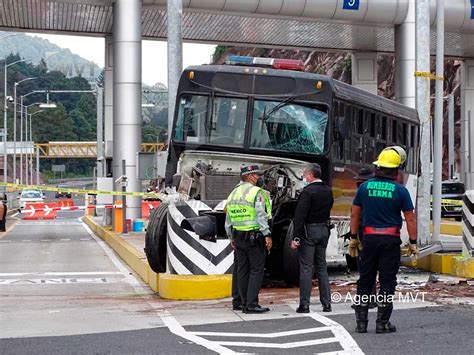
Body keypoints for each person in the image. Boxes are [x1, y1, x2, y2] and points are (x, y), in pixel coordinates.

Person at [349, 147, 418, 334]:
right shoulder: (401, 191)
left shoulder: (364, 187)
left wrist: (353, 238)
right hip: (390, 241)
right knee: (387, 282)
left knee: (365, 280)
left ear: (378, 167)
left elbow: (355, 215)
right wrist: (413, 242)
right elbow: (410, 218)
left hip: (369, 239)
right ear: (396, 169)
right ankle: (382, 323)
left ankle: (361, 323)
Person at [225, 165, 272, 314]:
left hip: (238, 236)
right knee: (256, 270)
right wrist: (267, 234)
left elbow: (228, 218)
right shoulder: (256, 192)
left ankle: (241, 302)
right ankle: (251, 304)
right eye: (256, 175)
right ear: (250, 176)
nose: (258, 178)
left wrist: (231, 236)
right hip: (254, 236)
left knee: (242, 270)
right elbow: (260, 215)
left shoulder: (233, 193)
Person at [291, 163, 334, 313]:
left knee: (306, 268)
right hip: (324, 230)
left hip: (309, 231)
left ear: (310, 175)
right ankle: (327, 303)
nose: (304, 176)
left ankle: (304, 304)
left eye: (304, 174)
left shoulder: (307, 192)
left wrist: (296, 238)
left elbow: (299, 217)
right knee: (322, 266)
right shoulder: (328, 191)